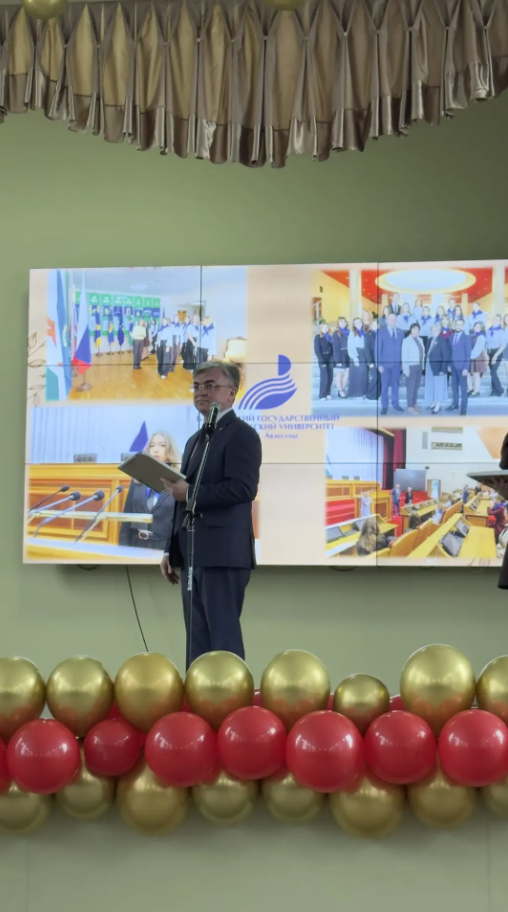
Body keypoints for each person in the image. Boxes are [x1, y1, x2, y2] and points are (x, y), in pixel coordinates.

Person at [160, 360, 262, 668]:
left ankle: (230, 699)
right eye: (197, 385)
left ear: (231, 393)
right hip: (193, 552)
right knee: (197, 641)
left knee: (223, 642)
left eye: (210, 385)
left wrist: (191, 493)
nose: (201, 391)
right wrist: (169, 550)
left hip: (223, 555)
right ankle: (199, 698)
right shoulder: (195, 440)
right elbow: (181, 498)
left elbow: (243, 489)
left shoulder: (242, 435)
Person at [119, 432, 179, 549]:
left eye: (162, 445)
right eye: (152, 445)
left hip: (163, 546)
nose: (156, 449)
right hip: (136, 545)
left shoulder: (177, 482)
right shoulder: (137, 479)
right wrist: (123, 547)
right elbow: (127, 516)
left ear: (170, 450)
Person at [376, 312, 404, 415]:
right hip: (385, 365)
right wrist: (379, 364)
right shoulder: (381, 332)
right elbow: (377, 349)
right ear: (387, 320)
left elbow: (402, 348)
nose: (392, 321)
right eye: (390, 319)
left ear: (396, 320)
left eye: (394, 319)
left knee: (396, 385)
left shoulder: (401, 332)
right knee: (384, 386)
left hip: (397, 364)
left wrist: (402, 363)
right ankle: (384, 405)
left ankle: (395, 404)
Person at [446, 318, 471, 415]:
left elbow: (468, 354)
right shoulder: (451, 337)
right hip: (452, 366)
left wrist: (466, 368)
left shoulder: (467, 338)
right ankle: (455, 404)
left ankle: (463, 408)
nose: (458, 326)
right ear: (454, 325)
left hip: (462, 367)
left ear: (463, 326)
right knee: (454, 387)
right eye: (457, 324)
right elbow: (449, 352)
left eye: (460, 325)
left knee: (463, 389)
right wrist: (449, 364)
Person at [425, 322, 450, 414]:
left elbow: (445, 356)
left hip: (439, 367)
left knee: (438, 386)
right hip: (429, 365)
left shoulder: (442, 340)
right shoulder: (429, 339)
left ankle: (438, 405)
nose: (434, 331)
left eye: (436, 330)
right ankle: (434, 402)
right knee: (432, 385)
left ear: (439, 331)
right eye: (432, 330)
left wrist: (443, 369)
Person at [402, 322, 424, 413]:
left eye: (417, 329)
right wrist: (406, 369)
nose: (416, 331)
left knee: (416, 387)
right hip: (411, 367)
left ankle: (414, 404)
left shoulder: (420, 339)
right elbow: (404, 356)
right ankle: (410, 406)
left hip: (419, 366)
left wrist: (422, 366)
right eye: (414, 329)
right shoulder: (406, 340)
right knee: (410, 387)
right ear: (411, 330)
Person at [347, 317, 368, 398]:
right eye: (356, 322)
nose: (358, 324)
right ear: (354, 325)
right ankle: (357, 393)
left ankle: (363, 392)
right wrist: (355, 357)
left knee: (364, 374)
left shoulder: (365, 332)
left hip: (364, 353)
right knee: (357, 374)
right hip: (356, 354)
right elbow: (350, 346)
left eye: (359, 322)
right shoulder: (352, 333)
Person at [486, 314, 506, 397]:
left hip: (497, 352)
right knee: (492, 372)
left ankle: (500, 389)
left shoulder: (502, 332)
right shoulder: (488, 330)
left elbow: (503, 345)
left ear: (500, 321)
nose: (495, 321)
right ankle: (494, 390)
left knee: (493, 372)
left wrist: (495, 356)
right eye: (494, 319)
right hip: (489, 352)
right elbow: (485, 343)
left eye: (497, 320)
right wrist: (486, 354)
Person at [314, 323, 334, 400]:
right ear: (321, 329)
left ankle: (328, 393)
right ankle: (322, 395)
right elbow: (317, 350)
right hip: (322, 358)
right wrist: (322, 361)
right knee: (324, 377)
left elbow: (333, 348)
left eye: (326, 328)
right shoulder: (318, 337)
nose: (325, 329)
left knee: (330, 377)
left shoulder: (330, 337)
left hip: (330, 358)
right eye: (323, 328)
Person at [467, 321, 487, 397]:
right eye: (475, 326)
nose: (476, 328)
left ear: (481, 328)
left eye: (478, 327)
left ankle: (476, 391)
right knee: (467, 373)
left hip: (476, 357)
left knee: (476, 374)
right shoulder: (471, 335)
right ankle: (470, 389)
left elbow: (477, 349)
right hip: (469, 356)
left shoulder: (481, 336)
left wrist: (469, 356)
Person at [332, 318, 349, 398]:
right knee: (339, 374)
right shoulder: (336, 333)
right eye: (341, 322)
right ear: (338, 323)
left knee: (348, 373)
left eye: (344, 322)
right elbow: (335, 347)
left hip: (347, 355)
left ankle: (341, 389)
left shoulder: (348, 332)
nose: (343, 323)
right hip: (340, 354)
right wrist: (337, 360)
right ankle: (341, 390)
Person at [364, 317, 380, 400]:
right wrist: (370, 362)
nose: (375, 326)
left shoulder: (381, 334)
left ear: (379, 325)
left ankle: (377, 394)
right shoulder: (368, 334)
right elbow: (366, 349)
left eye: (376, 324)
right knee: (375, 377)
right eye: (373, 324)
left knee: (380, 378)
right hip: (372, 360)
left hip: (381, 360)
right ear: (371, 325)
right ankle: (369, 394)